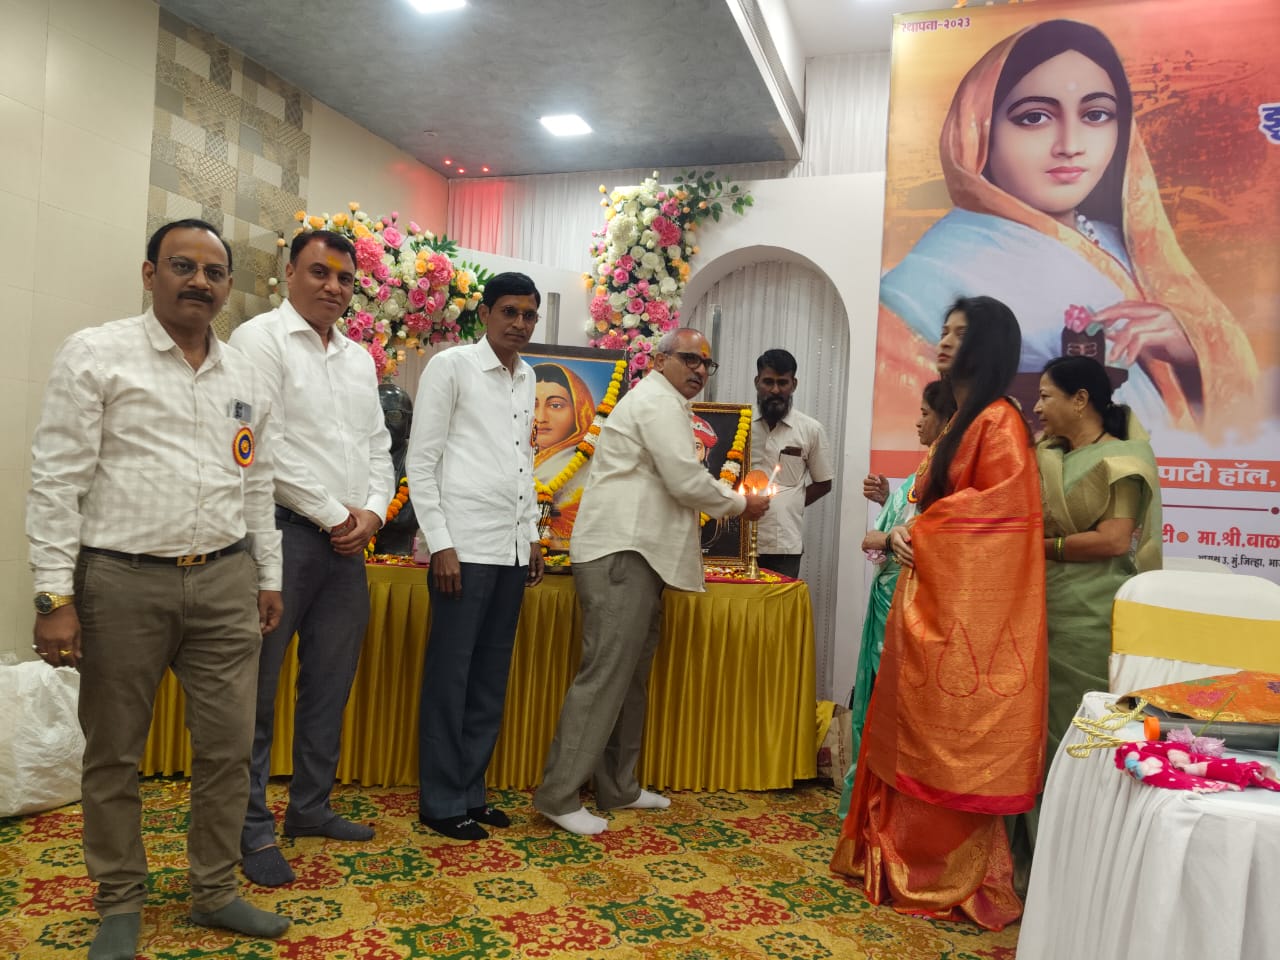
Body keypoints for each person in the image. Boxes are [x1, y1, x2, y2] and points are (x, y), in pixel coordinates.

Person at [26, 219, 290, 959]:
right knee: (114, 753)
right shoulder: (96, 353)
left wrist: (268, 576)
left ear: (227, 287)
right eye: (182, 266)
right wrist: (53, 597)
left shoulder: (248, 375)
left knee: (228, 749)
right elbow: (56, 481)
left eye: (214, 272)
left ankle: (215, 891)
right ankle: (119, 901)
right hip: (121, 583)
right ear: (149, 274)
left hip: (226, 580)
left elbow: (258, 482)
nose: (199, 281)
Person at [879, 19, 1257, 440]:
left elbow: (1242, 420)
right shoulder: (923, 284)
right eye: (1034, 117)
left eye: (1096, 114)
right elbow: (926, 428)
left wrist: (1190, 354)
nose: (1071, 145)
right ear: (978, 130)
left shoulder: (1127, 246)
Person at [830, 296, 1047, 931]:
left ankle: (945, 874)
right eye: (944, 330)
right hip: (928, 596)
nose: (944, 341)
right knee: (906, 728)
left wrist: (920, 532)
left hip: (963, 615)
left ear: (987, 345)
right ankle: (898, 858)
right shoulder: (965, 420)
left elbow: (997, 517)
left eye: (959, 333)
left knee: (946, 742)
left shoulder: (999, 421)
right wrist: (908, 529)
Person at [534, 327, 770, 836]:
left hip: (641, 554)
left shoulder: (669, 404)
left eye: (707, 363)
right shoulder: (656, 402)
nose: (700, 370)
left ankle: (618, 785)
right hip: (623, 551)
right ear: (660, 361)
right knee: (605, 675)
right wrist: (739, 504)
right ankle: (558, 795)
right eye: (690, 358)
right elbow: (684, 480)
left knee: (629, 678)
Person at [229, 229, 393, 886]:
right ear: (290, 272)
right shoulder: (259, 340)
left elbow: (379, 445)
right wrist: (335, 514)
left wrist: (374, 512)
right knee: (256, 692)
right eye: (319, 272)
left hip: (347, 546)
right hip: (279, 535)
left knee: (329, 684)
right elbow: (261, 446)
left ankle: (310, 808)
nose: (333, 286)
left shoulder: (358, 359)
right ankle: (249, 829)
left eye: (344, 278)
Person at [407, 271, 546, 841]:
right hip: (462, 549)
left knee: (490, 677)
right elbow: (421, 462)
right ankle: (440, 802)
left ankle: (471, 791)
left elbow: (523, 461)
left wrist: (531, 532)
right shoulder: (452, 366)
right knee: (451, 677)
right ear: (485, 313)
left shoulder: (528, 376)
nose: (520, 323)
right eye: (509, 311)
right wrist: (440, 542)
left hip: (510, 548)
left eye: (529, 314)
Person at [1034, 355, 1162, 762]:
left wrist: (1039, 547)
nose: (1036, 407)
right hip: (1040, 605)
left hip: (1087, 616)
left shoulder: (1123, 458)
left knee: (1077, 728)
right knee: (1034, 725)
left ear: (1080, 400)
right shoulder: (1048, 456)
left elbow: (1113, 540)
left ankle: (1072, 805)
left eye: (1045, 396)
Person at [840, 380, 956, 817]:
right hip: (887, 604)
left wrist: (890, 537)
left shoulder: (951, 487)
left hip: (919, 612)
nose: (917, 422)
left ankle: (895, 811)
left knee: (905, 712)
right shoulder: (913, 482)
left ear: (947, 421)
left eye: (925, 413)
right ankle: (867, 805)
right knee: (875, 705)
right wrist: (890, 530)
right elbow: (873, 540)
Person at [750, 349, 834, 579]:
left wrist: (791, 502)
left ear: (793, 384)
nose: (775, 390)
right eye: (768, 382)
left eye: (782, 383)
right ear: (757, 382)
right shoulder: (740, 423)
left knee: (779, 602)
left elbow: (824, 483)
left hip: (784, 545)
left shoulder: (811, 429)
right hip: (737, 542)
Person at [533, 362, 596, 551]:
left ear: (579, 411)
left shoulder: (591, 464)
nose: (541, 417)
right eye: (532, 404)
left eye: (555, 405)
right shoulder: (513, 454)